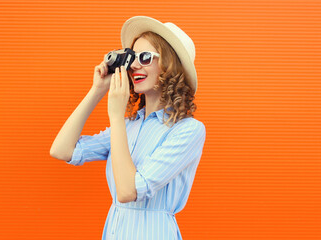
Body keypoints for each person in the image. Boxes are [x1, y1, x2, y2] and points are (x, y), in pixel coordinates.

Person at [50, 16, 206, 240]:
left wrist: (115, 114)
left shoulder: (187, 130)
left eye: (145, 57)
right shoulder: (128, 127)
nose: (133, 65)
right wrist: (97, 90)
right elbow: (61, 150)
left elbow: (127, 192)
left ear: (171, 65)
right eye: (132, 57)